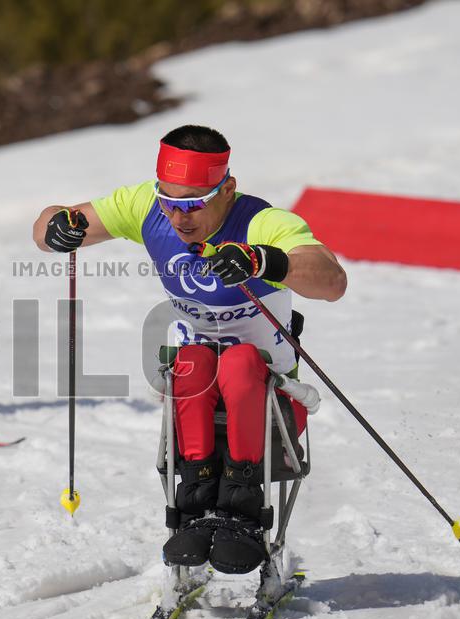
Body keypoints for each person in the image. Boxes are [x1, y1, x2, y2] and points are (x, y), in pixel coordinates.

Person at [32, 124, 346, 572]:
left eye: (195, 203)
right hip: (195, 400)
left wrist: (263, 260)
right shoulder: (146, 207)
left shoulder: (262, 222)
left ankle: (243, 508)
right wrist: (55, 226)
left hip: (273, 407)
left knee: (238, 361)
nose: (180, 217)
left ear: (228, 189)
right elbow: (49, 226)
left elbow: (332, 282)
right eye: (170, 202)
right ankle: (196, 503)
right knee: (191, 361)